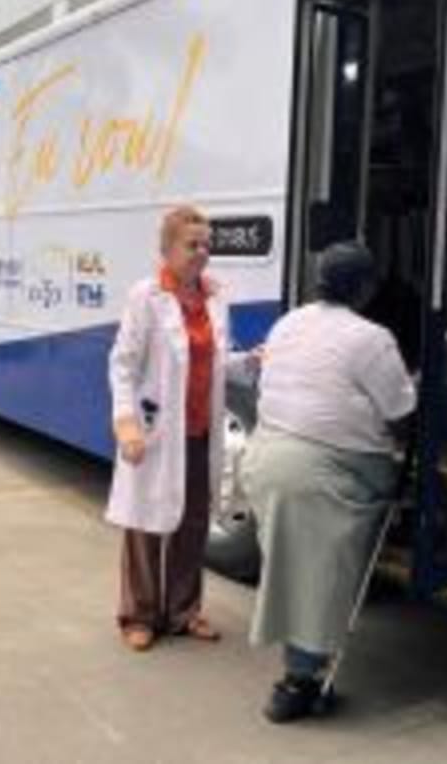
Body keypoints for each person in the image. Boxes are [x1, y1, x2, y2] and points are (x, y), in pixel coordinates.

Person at [245, 241, 417, 723]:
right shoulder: (372, 337)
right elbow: (401, 412)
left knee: (295, 567)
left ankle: (299, 668)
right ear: (364, 289)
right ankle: (298, 683)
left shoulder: (288, 322)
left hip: (265, 460)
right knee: (318, 576)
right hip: (328, 472)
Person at [106, 205, 257, 652]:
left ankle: (184, 611)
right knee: (146, 523)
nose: (202, 252)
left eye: (207, 244)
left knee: (192, 523)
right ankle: (139, 615)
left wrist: (250, 359)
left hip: (199, 430)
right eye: (192, 244)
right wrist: (127, 422)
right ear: (168, 248)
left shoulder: (214, 296)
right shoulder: (146, 296)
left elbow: (210, 359)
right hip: (154, 431)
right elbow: (123, 364)